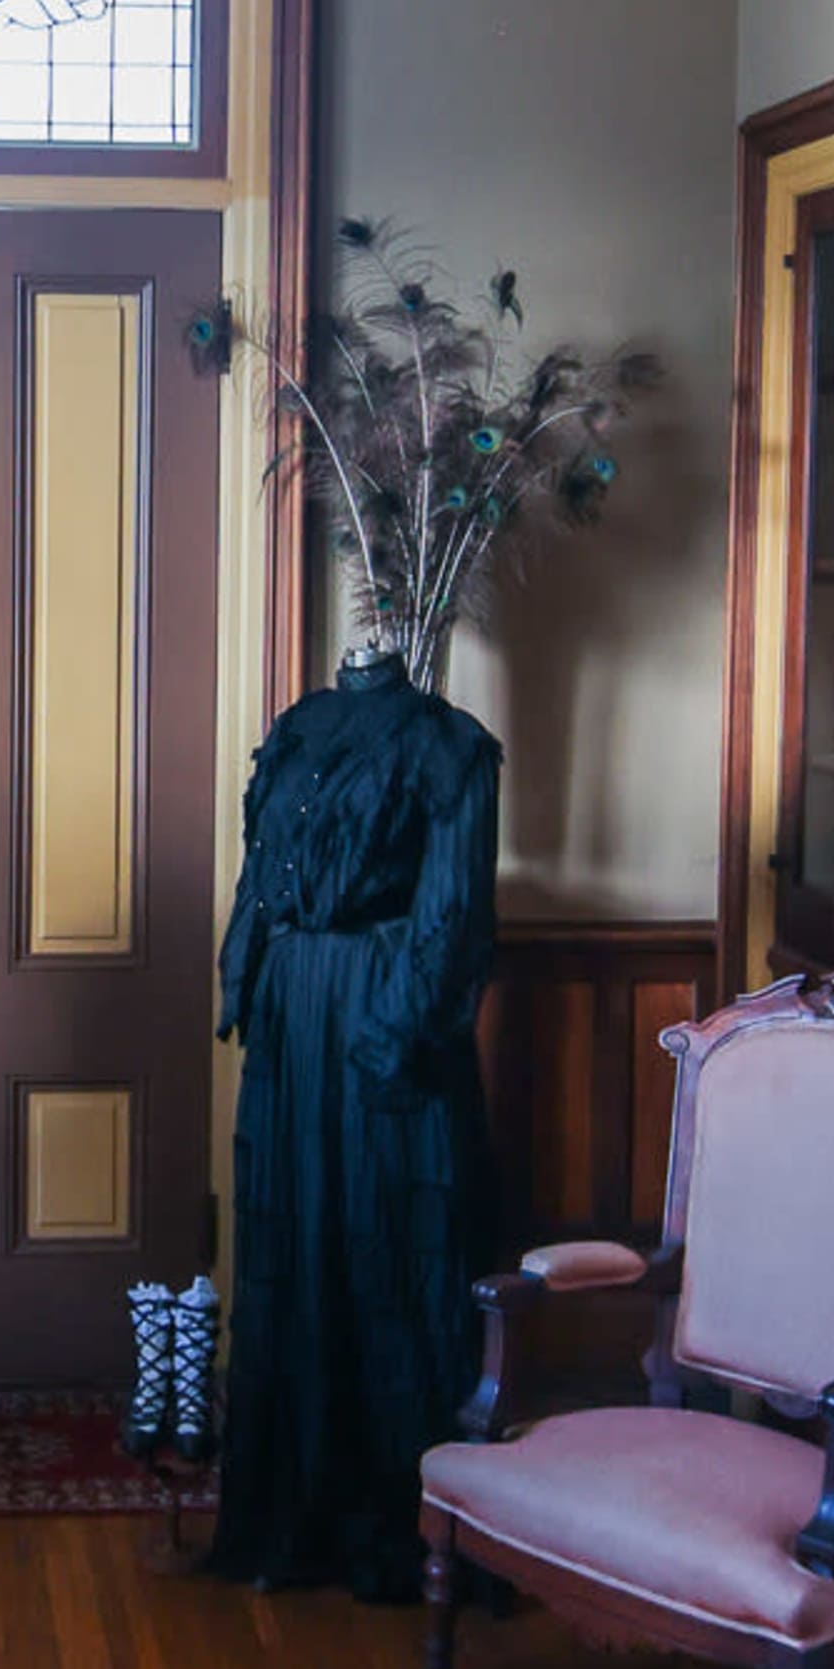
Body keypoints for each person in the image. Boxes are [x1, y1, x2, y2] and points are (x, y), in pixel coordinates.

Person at [206, 639, 501, 1598]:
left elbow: (453, 916)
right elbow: (260, 872)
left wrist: (398, 1032)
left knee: (389, 1238)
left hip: (382, 1019)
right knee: (298, 1242)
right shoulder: (296, 729)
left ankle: (398, 1517)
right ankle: (292, 1510)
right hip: (295, 1018)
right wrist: (246, 972)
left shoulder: (449, 746)